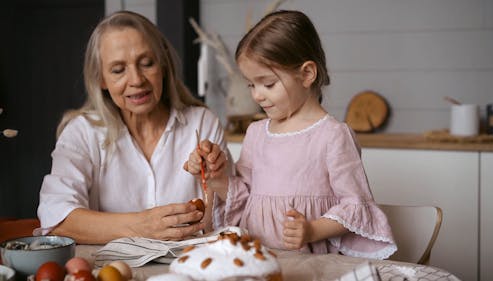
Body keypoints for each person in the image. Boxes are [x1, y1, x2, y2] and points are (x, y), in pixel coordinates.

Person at [185, 10, 397, 258]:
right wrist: (216, 178)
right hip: (257, 259)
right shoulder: (256, 133)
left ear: (307, 74)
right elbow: (243, 198)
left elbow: (355, 205)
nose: (257, 95)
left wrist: (312, 230)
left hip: (312, 264)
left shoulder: (332, 136)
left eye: (268, 84)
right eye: (251, 84)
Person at [36, 11, 229, 244]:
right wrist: (141, 226)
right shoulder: (81, 132)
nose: (136, 80)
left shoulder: (202, 123)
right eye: (118, 70)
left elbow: (233, 215)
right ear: (101, 79)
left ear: (163, 65)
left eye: (147, 63)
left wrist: (217, 179)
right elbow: (56, 219)